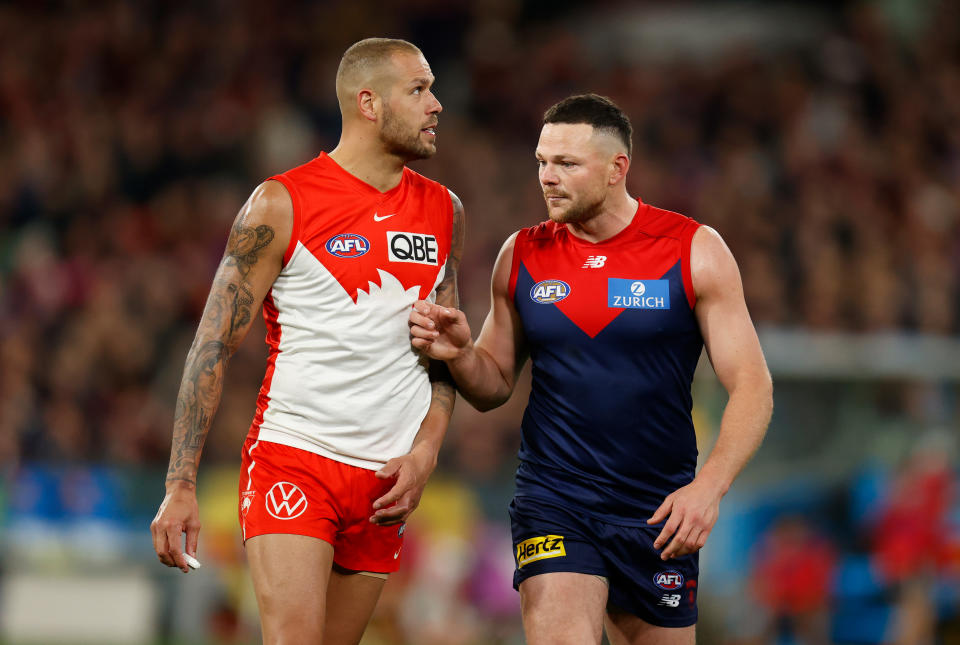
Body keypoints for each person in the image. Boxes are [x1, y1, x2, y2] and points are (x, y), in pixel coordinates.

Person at [409, 94, 773, 644]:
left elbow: (752, 386)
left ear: (616, 169)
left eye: (566, 164)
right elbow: (493, 387)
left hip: (658, 513)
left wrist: (709, 488)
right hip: (555, 498)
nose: (547, 178)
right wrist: (461, 353)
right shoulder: (522, 255)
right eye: (541, 162)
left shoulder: (692, 250)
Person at [151, 38, 464, 645]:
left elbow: (443, 354)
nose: (437, 105)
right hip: (295, 460)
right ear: (368, 103)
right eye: (419, 90)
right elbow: (211, 346)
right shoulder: (281, 202)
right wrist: (180, 485)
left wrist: (426, 453)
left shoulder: (444, 210)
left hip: (385, 482)